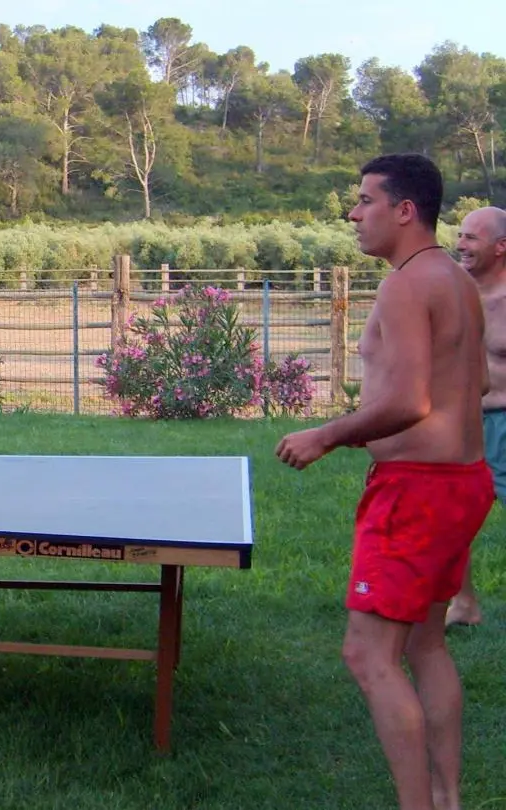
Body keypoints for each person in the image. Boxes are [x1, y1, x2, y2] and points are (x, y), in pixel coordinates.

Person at [276, 154, 494, 810]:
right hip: (463, 481)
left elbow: (408, 401)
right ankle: (447, 797)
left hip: (417, 490)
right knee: (426, 643)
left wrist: (327, 434)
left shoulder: (406, 284)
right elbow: (477, 384)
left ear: (405, 210)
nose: (353, 212)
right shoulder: (456, 280)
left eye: (365, 200)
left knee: (368, 656)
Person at [448, 206, 506, 627]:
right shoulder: (451, 292)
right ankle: (464, 605)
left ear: (501, 247)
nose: (461, 245)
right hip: (458, 423)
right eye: (461, 235)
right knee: (449, 517)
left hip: (503, 421)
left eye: (472, 238)